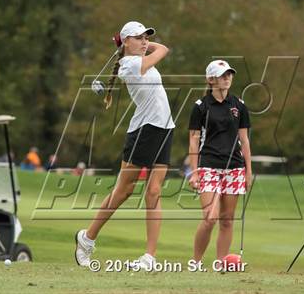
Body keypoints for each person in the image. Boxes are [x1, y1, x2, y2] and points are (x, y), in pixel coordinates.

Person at [75, 21, 175, 270]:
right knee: (124, 191)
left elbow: (161, 46)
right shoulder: (128, 65)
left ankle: (149, 257)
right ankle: (87, 238)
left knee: (154, 192)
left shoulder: (137, 57)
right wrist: (131, 46)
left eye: (146, 37)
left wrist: (136, 43)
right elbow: (163, 50)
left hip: (164, 127)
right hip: (144, 130)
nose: (144, 42)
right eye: (138, 38)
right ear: (126, 41)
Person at [188, 60, 252, 268]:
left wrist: (248, 171)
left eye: (229, 74)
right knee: (210, 217)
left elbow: (244, 140)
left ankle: (220, 263)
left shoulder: (239, 105)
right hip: (208, 166)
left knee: (227, 220)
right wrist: (195, 171)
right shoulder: (201, 107)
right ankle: (195, 262)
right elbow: (194, 140)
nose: (227, 78)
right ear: (210, 79)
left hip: (235, 167)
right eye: (222, 75)